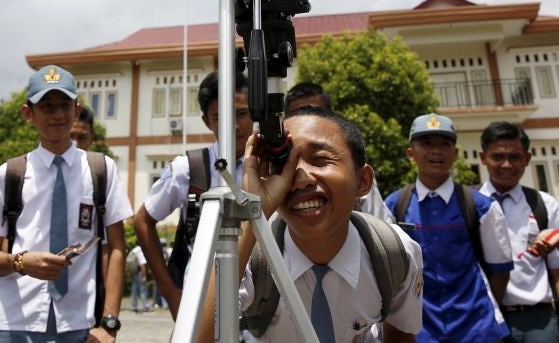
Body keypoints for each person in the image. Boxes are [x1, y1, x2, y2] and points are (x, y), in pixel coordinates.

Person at [198, 106, 423, 342]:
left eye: (320, 160)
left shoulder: (394, 253)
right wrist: (254, 211)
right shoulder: (248, 257)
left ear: (363, 180)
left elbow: (401, 335)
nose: (301, 179)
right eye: (284, 164)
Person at [0, 65, 132, 342]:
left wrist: (109, 323)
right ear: (28, 114)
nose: (58, 115)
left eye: (64, 105)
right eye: (47, 106)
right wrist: (21, 262)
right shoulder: (11, 173)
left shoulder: (101, 169)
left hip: (79, 324)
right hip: (13, 323)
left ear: (76, 109)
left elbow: (117, 247)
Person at [133, 71, 253, 319]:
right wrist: (170, 291)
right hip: (201, 303)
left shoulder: (272, 166)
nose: (235, 125)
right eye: (221, 117)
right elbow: (143, 220)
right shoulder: (189, 168)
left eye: (241, 113)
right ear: (207, 120)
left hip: (264, 308)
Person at [385, 113, 513, 343]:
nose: (436, 151)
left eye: (444, 144)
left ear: (455, 153)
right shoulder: (394, 206)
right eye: (426, 143)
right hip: (420, 331)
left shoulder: (482, 206)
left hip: (477, 329)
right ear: (410, 154)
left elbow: (500, 272)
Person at [478, 121, 559, 343]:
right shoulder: (470, 206)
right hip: (485, 318)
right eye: (497, 157)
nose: (507, 165)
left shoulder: (543, 205)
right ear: (483, 157)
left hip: (538, 321)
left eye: (515, 157)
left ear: (527, 159)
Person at [285, 80, 394, 223]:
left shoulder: (352, 171)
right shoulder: (270, 175)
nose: (302, 180)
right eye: (298, 114)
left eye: (316, 112)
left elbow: (382, 224)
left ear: (362, 181)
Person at [127, 244, 150, 313]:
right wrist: (144, 276)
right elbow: (142, 264)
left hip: (134, 273)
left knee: (134, 290)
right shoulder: (140, 251)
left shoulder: (134, 250)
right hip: (139, 273)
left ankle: (134, 306)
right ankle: (146, 306)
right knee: (143, 289)